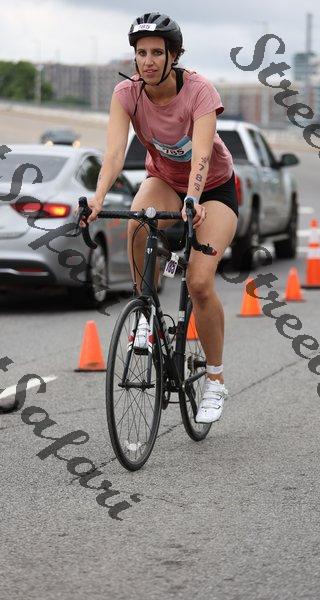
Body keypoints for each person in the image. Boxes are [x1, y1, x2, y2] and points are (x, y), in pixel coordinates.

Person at [82, 12, 238, 423]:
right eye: (141, 53)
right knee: (138, 220)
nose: (147, 61)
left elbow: (202, 154)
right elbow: (115, 153)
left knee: (199, 282)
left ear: (174, 56)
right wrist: (97, 199)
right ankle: (145, 314)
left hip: (213, 188)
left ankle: (216, 380)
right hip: (164, 180)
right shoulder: (127, 93)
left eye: (156, 53)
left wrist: (194, 198)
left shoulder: (199, 90)